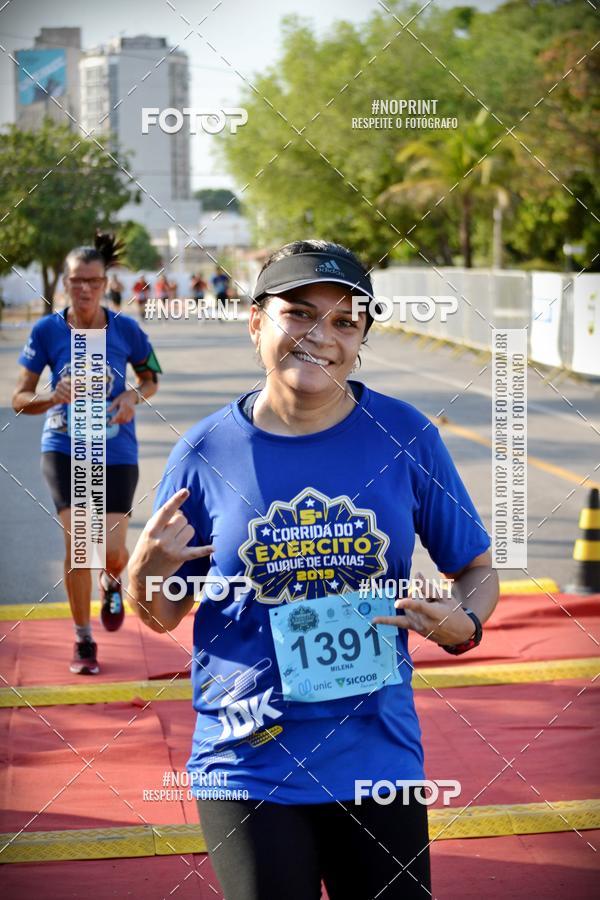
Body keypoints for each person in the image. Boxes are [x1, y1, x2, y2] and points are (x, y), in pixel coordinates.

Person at [127, 239, 499, 899]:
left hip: (376, 754)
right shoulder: (204, 451)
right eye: (298, 313)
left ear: (360, 339)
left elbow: (474, 567)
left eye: (343, 321)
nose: (319, 335)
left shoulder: (406, 435)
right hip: (246, 759)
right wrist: (143, 574)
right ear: (255, 321)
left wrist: (463, 622)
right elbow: (161, 614)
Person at [12, 232, 162, 676]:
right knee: (80, 543)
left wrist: (133, 397)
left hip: (116, 449)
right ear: (65, 283)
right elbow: (19, 399)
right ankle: (83, 639)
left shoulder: (127, 329)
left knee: (113, 551)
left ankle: (112, 578)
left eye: (92, 281)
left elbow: (152, 377)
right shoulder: (47, 331)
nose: (83, 289)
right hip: (63, 445)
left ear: (105, 283)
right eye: (76, 280)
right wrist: (50, 396)